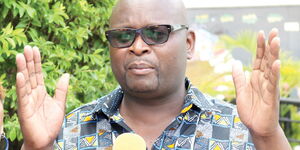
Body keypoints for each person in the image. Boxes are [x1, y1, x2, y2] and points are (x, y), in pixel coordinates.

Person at [15, 0, 292, 149]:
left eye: (156, 33)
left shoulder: (241, 131)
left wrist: (268, 136)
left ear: (188, 44)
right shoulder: (68, 131)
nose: (137, 47)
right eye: (124, 35)